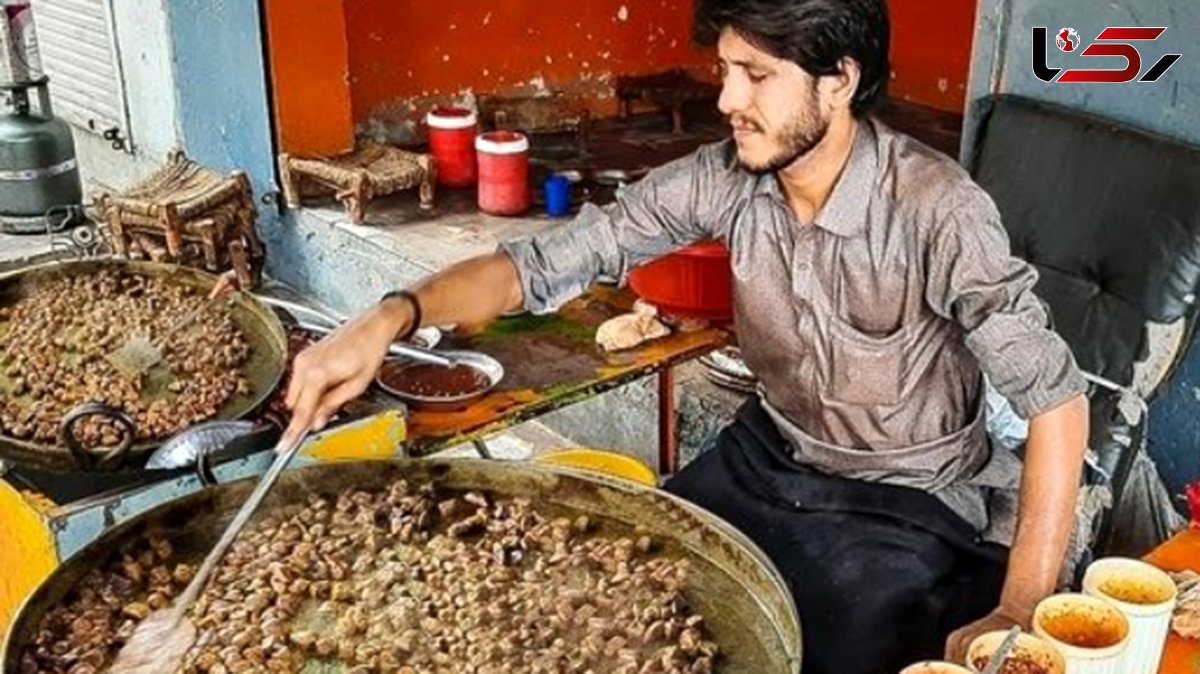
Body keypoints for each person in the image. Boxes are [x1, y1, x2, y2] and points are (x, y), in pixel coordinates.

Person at [282, 0, 1089, 671]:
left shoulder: (936, 208)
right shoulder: (728, 179)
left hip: (906, 500)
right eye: (727, 71)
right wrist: (388, 318)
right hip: (771, 456)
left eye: (757, 76)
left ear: (840, 80)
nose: (729, 99)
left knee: (810, 646)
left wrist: (1019, 609)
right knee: (625, 585)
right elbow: (544, 261)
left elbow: (1057, 405)